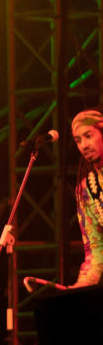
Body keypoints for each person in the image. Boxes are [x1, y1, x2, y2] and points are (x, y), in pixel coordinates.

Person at [70, 109, 103, 287]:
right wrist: (80, 287)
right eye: (78, 140)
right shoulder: (87, 188)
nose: (84, 146)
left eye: (88, 136)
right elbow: (95, 250)